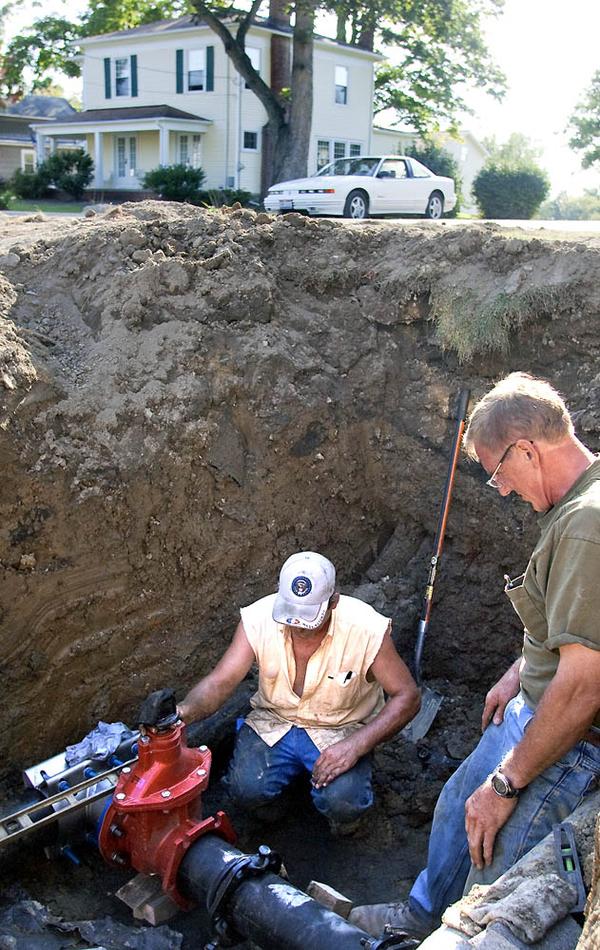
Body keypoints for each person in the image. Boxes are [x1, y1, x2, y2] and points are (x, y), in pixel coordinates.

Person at [351, 372, 600, 940]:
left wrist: (508, 783)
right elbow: (579, 625)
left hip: (567, 744)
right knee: (457, 807)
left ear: (527, 450)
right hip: (532, 707)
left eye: (498, 472)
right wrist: (520, 670)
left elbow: (586, 685)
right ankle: (415, 919)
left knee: (492, 871)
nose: (504, 489)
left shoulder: (589, 524)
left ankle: (451, 933)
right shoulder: (580, 506)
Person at [178, 550, 420, 833]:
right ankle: (279, 807)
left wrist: (355, 746)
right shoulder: (258, 618)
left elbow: (408, 696)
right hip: (275, 723)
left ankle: (341, 817)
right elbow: (221, 681)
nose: (297, 625)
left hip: (338, 730)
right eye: (290, 614)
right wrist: (182, 712)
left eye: (308, 617)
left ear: (333, 602)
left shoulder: (366, 629)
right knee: (245, 790)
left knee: (344, 802)